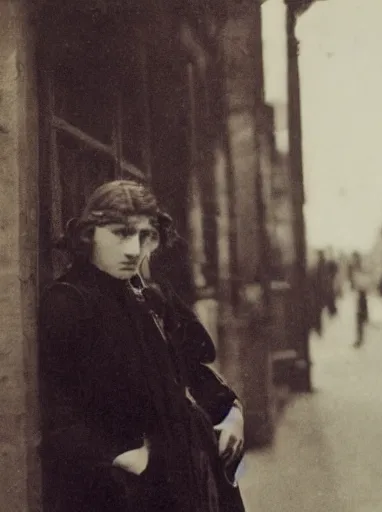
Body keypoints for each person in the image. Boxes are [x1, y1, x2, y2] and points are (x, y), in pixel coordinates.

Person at [38, 180, 246, 512]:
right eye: (121, 233)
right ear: (89, 234)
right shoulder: (68, 302)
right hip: (124, 491)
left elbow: (190, 371)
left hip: (186, 480)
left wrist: (232, 412)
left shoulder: (150, 294)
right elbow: (58, 412)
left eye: (144, 236)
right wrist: (121, 457)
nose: (134, 249)